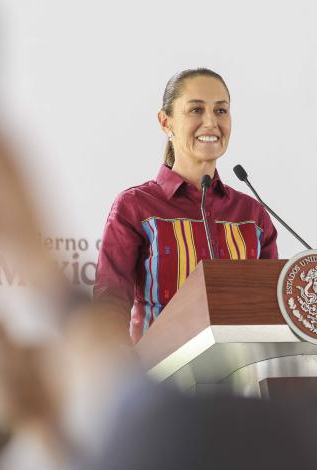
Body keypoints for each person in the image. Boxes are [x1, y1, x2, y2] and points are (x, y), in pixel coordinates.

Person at [95, 68, 279, 343]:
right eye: (195, 110)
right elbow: (109, 308)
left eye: (221, 111)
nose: (210, 123)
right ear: (165, 122)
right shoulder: (136, 207)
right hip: (159, 379)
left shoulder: (252, 215)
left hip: (238, 381)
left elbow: (270, 310)